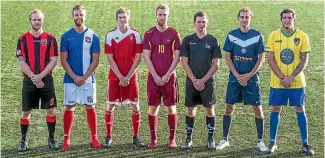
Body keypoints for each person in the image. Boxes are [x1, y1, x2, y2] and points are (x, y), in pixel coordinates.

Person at [215, 7, 267, 152]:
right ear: (238, 18)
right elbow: (227, 57)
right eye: (242, 17)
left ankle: (260, 141)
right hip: (234, 78)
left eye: (247, 17)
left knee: (257, 109)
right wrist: (237, 75)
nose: (244, 19)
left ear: (251, 18)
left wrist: (249, 75)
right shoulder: (232, 35)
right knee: (229, 107)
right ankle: (224, 139)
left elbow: (261, 59)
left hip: (251, 79)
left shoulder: (257, 36)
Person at [265, 8, 314, 155]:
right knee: (275, 109)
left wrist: (291, 77)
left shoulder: (302, 36)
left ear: (294, 19)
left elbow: (304, 60)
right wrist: (282, 77)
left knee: (300, 109)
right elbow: (270, 59)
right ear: (281, 19)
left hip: (297, 82)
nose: (287, 20)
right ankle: (272, 142)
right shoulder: (273, 35)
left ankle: (305, 144)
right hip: (277, 82)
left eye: (289, 18)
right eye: (284, 18)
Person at [16, 9, 60, 152]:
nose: (36, 22)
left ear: (43, 20)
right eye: (34, 19)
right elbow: (21, 61)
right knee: (26, 111)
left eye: (39, 19)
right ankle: (23, 140)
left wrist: (40, 76)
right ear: (30, 21)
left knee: (50, 110)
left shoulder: (51, 38)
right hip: (29, 82)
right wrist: (35, 78)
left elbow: (53, 60)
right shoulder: (22, 39)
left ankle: (51, 139)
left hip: (46, 81)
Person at [103, 7, 146, 148]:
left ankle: (136, 136)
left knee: (135, 105)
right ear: (117, 19)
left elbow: (138, 58)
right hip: (115, 77)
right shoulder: (110, 35)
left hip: (131, 77)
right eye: (120, 17)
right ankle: (108, 136)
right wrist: (120, 76)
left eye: (125, 17)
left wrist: (127, 76)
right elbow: (109, 58)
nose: (123, 20)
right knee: (110, 105)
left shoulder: (136, 34)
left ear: (129, 18)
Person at [60, 4, 101, 149]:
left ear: (85, 16)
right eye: (76, 15)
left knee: (90, 106)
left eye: (81, 15)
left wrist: (84, 77)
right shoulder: (66, 37)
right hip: (70, 79)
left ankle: (94, 138)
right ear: (73, 16)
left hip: (88, 80)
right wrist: (74, 77)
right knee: (69, 107)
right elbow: (63, 60)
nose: (79, 17)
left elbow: (95, 61)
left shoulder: (93, 36)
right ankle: (66, 140)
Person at [180, 11, 222, 151]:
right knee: (191, 110)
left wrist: (202, 80)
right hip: (192, 82)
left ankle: (210, 139)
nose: (201, 24)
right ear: (194, 23)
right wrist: (194, 80)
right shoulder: (187, 40)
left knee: (209, 110)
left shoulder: (213, 40)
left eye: (203, 21)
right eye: (199, 21)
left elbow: (216, 65)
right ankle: (188, 138)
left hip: (208, 82)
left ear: (207, 23)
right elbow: (184, 63)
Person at [143, 4, 181, 149]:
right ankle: (153, 139)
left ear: (168, 16)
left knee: (171, 108)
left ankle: (172, 139)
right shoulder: (148, 34)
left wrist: (166, 75)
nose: (162, 17)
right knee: (153, 108)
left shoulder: (174, 33)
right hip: (153, 77)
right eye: (160, 14)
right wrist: (155, 75)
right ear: (156, 15)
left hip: (169, 78)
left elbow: (177, 57)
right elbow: (146, 57)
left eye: (165, 15)